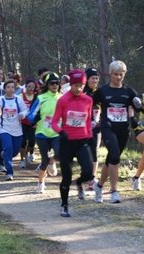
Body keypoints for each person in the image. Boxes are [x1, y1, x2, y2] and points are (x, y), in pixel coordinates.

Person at [92, 61, 144, 203]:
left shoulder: (128, 92)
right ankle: (114, 191)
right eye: (115, 74)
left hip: (123, 129)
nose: (118, 77)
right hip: (107, 128)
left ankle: (99, 187)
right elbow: (90, 103)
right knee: (115, 156)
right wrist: (92, 118)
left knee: (111, 159)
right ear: (110, 75)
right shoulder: (103, 91)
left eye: (121, 75)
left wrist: (138, 105)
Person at [51, 69, 93, 217]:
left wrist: (90, 135)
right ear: (71, 85)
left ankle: (80, 182)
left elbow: (87, 121)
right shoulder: (63, 100)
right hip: (66, 142)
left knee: (88, 172)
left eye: (81, 85)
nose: (79, 89)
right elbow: (54, 122)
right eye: (75, 85)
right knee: (66, 177)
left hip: (82, 141)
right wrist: (61, 132)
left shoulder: (87, 100)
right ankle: (64, 205)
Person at [28, 73, 61, 193]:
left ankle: (52, 161)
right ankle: (40, 183)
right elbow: (31, 114)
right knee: (44, 161)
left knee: (60, 155)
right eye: (52, 83)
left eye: (57, 83)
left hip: (57, 133)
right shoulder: (41, 98)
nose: (55, 85)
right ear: (47, 85)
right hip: (42, 133)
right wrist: (34, 119)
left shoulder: (62, 97)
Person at [0, 80, 28, 181]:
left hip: (16, 129)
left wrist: (22, 114)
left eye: (12, 87)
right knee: (8, 147)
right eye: (8, 87)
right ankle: (9, 172)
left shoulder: (18, 100)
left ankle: (4, 154)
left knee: (14, 152)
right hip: (3, 128)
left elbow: (25, 110)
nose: (10, 89)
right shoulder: (0, 100)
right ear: (4, 89)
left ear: (15, 89)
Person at [83, 68, 102, 190]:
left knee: (95, 150)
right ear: (87, 79)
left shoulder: (100, 92)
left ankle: (92, 178)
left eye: (97, 78)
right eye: (93, 78)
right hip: (83, 127)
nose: (95, 80)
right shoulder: (82, 92)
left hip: (97, 127)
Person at [18, 78, 37, 169]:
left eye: (33, 87)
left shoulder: (36, 96)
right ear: (26, 87)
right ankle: (21, 160)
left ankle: (26, 153)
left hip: (32, 122)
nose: (31, 88)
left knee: (32, 142)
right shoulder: (21, 96)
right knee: (23, 142)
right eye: (29, 86)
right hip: (23, 122)